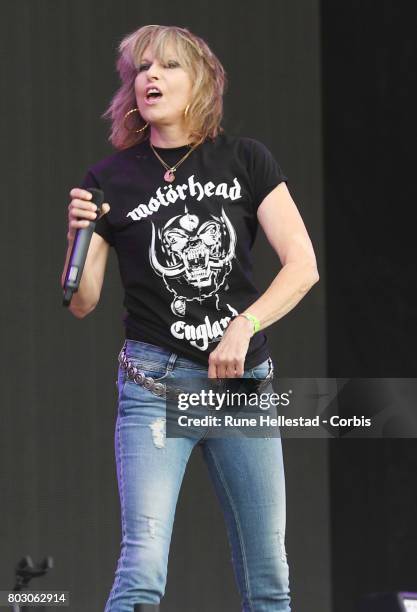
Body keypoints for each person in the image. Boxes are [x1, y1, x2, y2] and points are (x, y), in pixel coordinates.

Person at [61, 24, 319, 612]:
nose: (151, 76)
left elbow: (302, 266)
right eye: (141, 69)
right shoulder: (109, 180)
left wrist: (244, 325)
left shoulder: (245, 160)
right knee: (143, 567)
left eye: (168, 65)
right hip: (154, 383)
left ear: (200, 79)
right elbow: (82, 301)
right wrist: (78, 234)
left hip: (240, 386)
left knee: (269, 576)